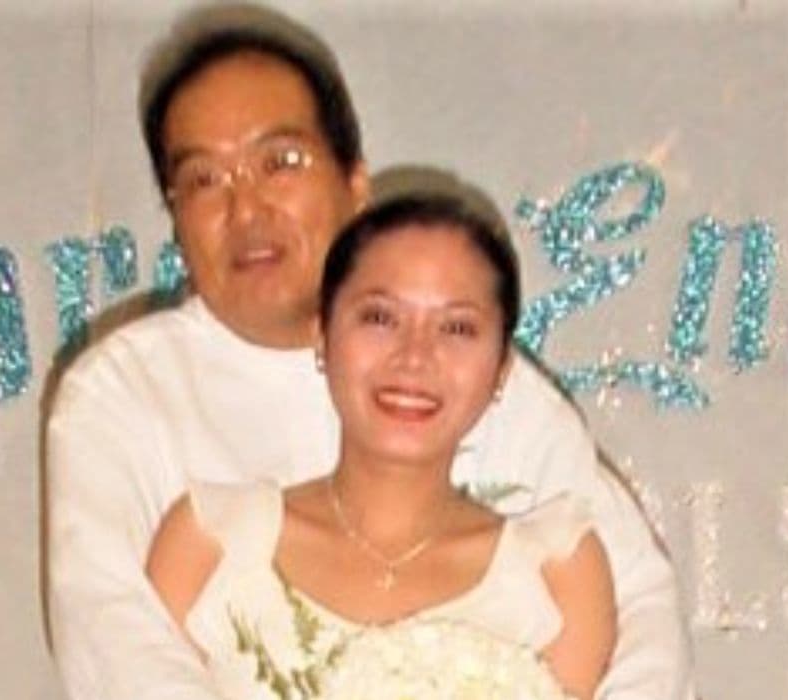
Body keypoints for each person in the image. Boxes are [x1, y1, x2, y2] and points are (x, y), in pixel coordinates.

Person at [45, 9, 692, 700]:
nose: (246, 208)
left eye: (279, 162)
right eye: (204, 179)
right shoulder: (120, 394)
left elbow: (643, 613)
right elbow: (112, 639)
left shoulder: (478, 384)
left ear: (355, 184)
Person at [147, 193, 618, 700]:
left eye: (457, 328)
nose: (415, 356)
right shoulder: (211, 542)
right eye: (380, 318)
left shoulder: (554, 574)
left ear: (502, 367)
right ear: (323, 335)